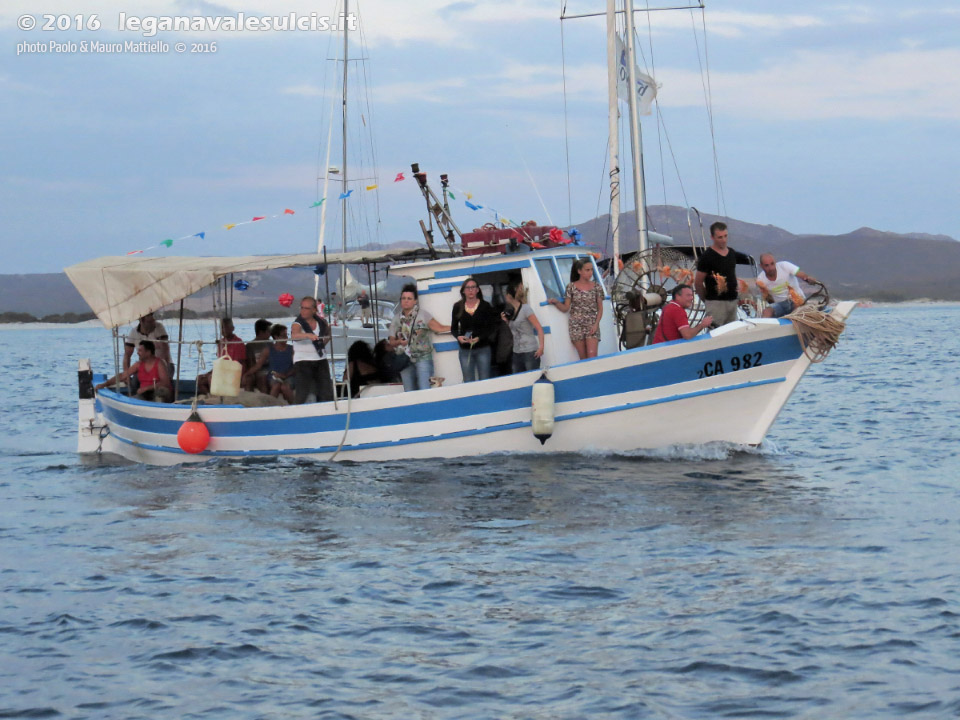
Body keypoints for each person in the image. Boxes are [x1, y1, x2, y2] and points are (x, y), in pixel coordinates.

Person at [388, 283, 450, 391]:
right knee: (409, 391)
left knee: (425, 389)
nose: (406, 301)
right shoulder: (396, 319)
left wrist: (458, 327)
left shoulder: (423, 315)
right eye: (403, 298)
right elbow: (391, 341)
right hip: (404, 359)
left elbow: (439, 327)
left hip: (423, 357)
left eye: (409, 298)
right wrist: (399, 342)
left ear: (415, 301)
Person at [694, 221, 753, 328]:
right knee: (715, 332)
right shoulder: (707, 256)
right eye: (720, 237)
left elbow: (731, 272)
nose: (724, 240)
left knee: (731, 332)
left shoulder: (731, 253)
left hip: (732, 301)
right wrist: (707, 300)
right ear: (712, 237)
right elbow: (698, 282)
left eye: (725, 236)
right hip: (715, 303)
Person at [548, 258, 604, 360]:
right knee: (583, 357)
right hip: (576, 325)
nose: (590, 273)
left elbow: (600, 309)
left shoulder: (597, 287)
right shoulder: (571, 287)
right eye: (587, 270)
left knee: (592, 355)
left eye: (591, 270)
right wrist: (556, 302)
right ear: (579, 271)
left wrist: (596, 324)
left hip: (591, 323)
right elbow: (566, 308)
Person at [450, 277, 497, 382]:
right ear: (463, 291)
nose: (470, 290)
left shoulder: (485, 306)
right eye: (468, 288)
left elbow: (491, 328)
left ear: (477, 290)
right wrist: (458, 337)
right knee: (468, 380)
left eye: (473, 287)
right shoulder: (457, 306)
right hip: (465, 350)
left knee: (484, 379)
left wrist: (479, 338)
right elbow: (453, 328)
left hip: (483, 348)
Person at [96, 340, 172, 402]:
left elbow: (165, 382)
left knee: (161, 393)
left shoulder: (159, 363)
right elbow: (122, 376)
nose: (137, 353)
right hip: (144, 394)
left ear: (148, 352)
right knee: (131, 400)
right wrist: (105, 384)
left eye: (140, 351)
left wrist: (147, 388)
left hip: (158, 392)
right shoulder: (138, 365)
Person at [291, 296, 333, 404]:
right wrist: (307, 335)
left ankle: (328, 410)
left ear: (314, 310)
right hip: (303, 360)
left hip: (320, 359)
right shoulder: (297, 323)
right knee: (302, 391)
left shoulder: (322, 322)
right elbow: (294, 335)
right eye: (302, 308)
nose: (303, 311)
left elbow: (328, 334)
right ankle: (297, 411)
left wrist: (322, 344)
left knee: (326, 390)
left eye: (306, 308)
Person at [244, 324, 296, 403]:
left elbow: (296, 367)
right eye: (283, 335)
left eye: (286, 335)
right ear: (276, 337)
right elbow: (258, 365)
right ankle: (269, 407)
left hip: (289, 376)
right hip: (274, 376)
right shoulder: (268, 350)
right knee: (276, 386)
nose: (286, 337)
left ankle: (294, 407)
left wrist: (285, 375)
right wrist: (246, 374)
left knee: (285, 387)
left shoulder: (291, 349)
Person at [756, 253, 819, 318]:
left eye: (772, 264)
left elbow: (802, 276)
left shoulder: (785, 266)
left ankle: (794, 320)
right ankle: (766, 326)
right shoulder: (761, 280)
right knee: (767, 311)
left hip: (796, 300)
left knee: (796, 310)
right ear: (761, 266)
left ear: (775, 262)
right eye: (767, 265)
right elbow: (767, 297)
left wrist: (808, 279)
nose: (771, 268)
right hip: (780, 305)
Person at [502, 278, 545, 373]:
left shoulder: (526, 309)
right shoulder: (511, 311)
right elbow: (514, 331)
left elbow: (539, 328)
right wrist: (506, 321)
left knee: (532, 376)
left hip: (529, 350)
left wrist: (541, 347)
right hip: (516, 351)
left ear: (509, 295)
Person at [123, 312, 171, 393]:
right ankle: (134, 400)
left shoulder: (159, 327)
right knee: (134, 383)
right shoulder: (134, 332)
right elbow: (127, 355)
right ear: (142, 320)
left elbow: (165, 349)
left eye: (153, 320)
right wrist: (126, 374)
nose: (153, 323)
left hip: (163, 364)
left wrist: (162, 366)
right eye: (150, 322)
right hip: (144, 366)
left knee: (163, 383)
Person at [196, 317, 246, 395]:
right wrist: (210, 372)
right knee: (199, 379)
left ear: (232, 328)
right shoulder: (221, 343)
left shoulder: (238, 343)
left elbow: (238, 363)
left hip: (233, 371)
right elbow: (219, 362)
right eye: (222, 328)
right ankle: (209, 397)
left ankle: (217, 398)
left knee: (212, 378)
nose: (224, 330)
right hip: (222, 369)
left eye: (226, 328)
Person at [243, 318, 273, 392]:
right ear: (261, 332)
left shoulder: (271, 343)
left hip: (271, 370)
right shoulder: (250, 346)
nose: (270, 334)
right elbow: (251, 364)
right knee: (262, 379)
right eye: (268, 331)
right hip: (258, 371)